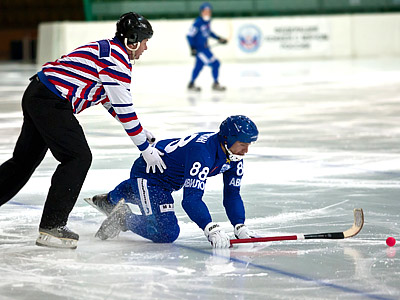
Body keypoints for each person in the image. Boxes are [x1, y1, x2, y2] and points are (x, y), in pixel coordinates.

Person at [0, 12, 166, 249]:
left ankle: (51, 225)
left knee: (23, 162)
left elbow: (107, 99)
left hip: (39, 93)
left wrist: (141, 130)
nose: (146, 48)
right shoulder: (117, 61)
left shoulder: (109, 49)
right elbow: (124, 107)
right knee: (77, 157)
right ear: (133, 40)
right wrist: (144, 147)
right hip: (50, 100)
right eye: (145, 41)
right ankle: (52, 227)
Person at [85, 115, 260, 248]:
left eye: (249, 144)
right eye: (242, 144)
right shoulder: (203, 152)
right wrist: (210, 227)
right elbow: (191, 199)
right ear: (227, 139)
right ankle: (123, 218)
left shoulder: (233, 155)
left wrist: (239, 225)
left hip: (166, 181)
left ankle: (109, 200)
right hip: (149, 176)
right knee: (166, 232)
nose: (246, 150)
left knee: (150, 199)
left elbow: (232, 195)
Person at [186, 2, 228, 92]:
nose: (207, 13)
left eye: (209, 11)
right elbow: (189, 36)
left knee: (198, 66)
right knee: (215, 63)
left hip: (205, 49)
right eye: (205, 11)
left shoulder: (207, 22)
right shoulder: (198, 23)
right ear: (201, 12)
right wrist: (192, 48)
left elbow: (209, 32)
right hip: (201, 50)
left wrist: (219, 38)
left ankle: (191, 84)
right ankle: (215, 83)